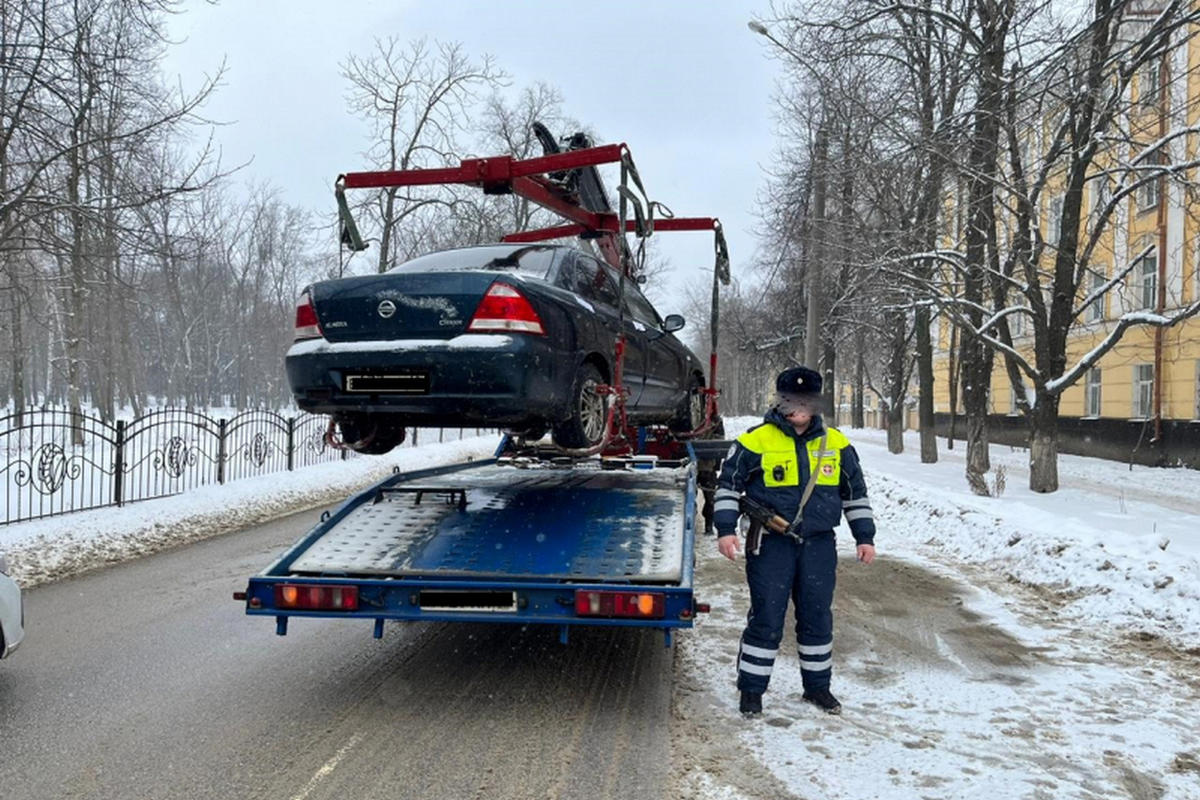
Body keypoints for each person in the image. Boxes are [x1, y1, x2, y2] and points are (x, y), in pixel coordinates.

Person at [713, 365, 876, 717]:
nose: (798, 408)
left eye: (805, 400)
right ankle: (752, 691)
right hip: (771, 544)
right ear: (780, 402)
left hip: (818, 545)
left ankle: (817, 688)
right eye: (790, 400)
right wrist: (725, 530)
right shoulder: (753, 441)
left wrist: (865, 537)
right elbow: (727, 487)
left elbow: (855, 494)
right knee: (767, 617)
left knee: (817, 616)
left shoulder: (837, 444)